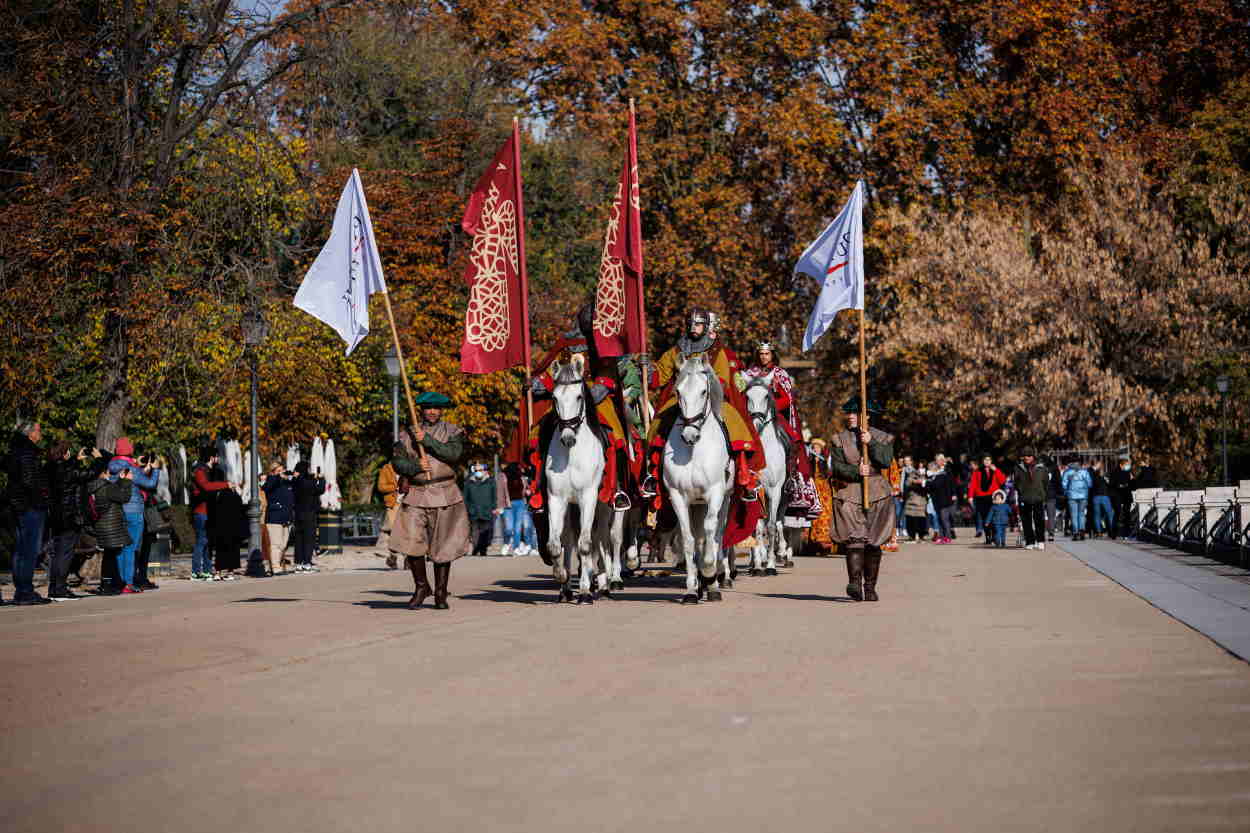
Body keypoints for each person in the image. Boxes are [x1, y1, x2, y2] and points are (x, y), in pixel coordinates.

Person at [641, 309, 763, 503]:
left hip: (710, 398)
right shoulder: (676, 351)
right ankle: (653, 475)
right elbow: (660, 375)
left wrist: (708, 389)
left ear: (705, 326)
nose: (693, 328)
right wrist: (647, 371)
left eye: (697, 324)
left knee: (734, 420)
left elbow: (722, 378)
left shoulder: (715, 351)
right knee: (658, 425)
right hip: (680, 398)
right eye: (690, 324)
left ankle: (744, 472)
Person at [390, 391, 471, 610]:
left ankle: (441, 592)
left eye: (436, 408)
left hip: (445, 492)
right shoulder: (406, 434)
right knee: (411, 542)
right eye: (428, 408)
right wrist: (415, 467)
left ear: (441, 410)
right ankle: (421, 586)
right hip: (416, 494)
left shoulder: (453, 431)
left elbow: (454, 454)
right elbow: (397, 462)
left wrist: (427, 441)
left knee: (443, 545)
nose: (432, 412)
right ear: (421, 410)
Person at [827, 397, 895, 602]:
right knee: (855, 540)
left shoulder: (883, 438)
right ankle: (855, 583)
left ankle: (870, 587)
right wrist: (856, 471)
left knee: (873, 542)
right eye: (848, 413)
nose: (849, 416)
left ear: (866, 415)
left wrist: (870, 442)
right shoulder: (838, 439)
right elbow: (837, 467)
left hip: (877, 492)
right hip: (850, 493)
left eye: (854, 413)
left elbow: (885, 461)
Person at [5, 419, 52, 605]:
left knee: (21, 549)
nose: (40, 434)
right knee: (29, 550)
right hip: (29, 506)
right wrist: (41, 498)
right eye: (38, 430)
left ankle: (22, 589)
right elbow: (28, 481)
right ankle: (25, 590)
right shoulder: (27, 452)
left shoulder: (16, 450)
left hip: (20, 505)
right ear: (30, 433)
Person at [106, 437, 160, 594]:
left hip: (117, 510)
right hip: (134, 510)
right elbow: (149, 484)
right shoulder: (131, 468)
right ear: (129, 450)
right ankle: (128, 583)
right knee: (131, 548)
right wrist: (155, 469)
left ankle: (120, 582)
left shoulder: (112, 466)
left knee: (120, 548)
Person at [45, 442, 96, 600]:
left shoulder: (49, 468)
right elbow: (90, 473)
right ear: (65, 454)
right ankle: (60, 589)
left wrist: (75, 459)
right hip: (69, 517)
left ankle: (54, 587)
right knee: (65, 554)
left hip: (56, 516)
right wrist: (99, 458)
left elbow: (67, 470)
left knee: (57, 553)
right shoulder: (67, 470)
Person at [86, 459, 133, 594]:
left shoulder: (95, 486)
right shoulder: (106, 487)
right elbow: (124, 497)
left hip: (102, 524)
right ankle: (107, 584)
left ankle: (113, 582)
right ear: (104, 472)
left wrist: (120, 479)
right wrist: (127, 481)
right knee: (110, 556)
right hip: (111, 526)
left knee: (110, 554)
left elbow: (114, 493)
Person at [189, 446, 231, 580]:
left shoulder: (209, 470)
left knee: (208, 542)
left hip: (209, 510)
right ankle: (195, 571)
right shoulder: (200, 470)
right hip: (201, 511)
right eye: (216, 456)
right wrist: (226, 485)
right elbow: (206, 486)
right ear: (211, 457)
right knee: (201, 541)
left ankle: (207, 570)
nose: (218, 458)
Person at [291, 460, 326, 573]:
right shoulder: (307, 483)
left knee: (299, 539)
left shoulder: (295, 481)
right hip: (309, 513)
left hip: (297, 513)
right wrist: (321, 479)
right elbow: (320, 489)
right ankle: (307, 563)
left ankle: (299, 563)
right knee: (308, 539)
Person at [262, 461, 295, 575]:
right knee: (276, 544)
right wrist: (277, 476)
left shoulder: (287, 483)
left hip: (286, 518)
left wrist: (295, 476)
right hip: (274, 517)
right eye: (279, 470)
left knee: (283, 544)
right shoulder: (271, 480)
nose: (282, 473)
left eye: (282, 470)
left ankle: (277, 565)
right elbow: (266, 487)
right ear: (273, 472)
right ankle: (276, 568)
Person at [463, 461, 501, 557]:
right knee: (475, 534)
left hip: (487, 511)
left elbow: (494, 496)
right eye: (476, 470)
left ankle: (482, 550)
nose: (478, 472)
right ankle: (476, 548)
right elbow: (465, 497)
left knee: (486, 533)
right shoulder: (469, 482)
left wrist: (494, 507)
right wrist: (467, 509)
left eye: (480, 470)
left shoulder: (491, 481)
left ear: (485, 471)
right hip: (473, 512)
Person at [1013, 450, 1048, 550]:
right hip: (1024, 497)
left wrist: (1042, 493)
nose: (1027, 457)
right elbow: (1015, 482)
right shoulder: (1018, 468)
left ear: (1033, 457)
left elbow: (1046, 482)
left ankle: (1040, 541)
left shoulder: (1041, 468)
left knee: (1039, 520)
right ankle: (1030, 541)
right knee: (1026, 521)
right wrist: (1021, 491)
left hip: (1038, 497)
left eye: (1029, 455)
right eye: (1025, 455)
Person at [967, 455, 1006, 541]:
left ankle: (995, 536)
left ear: (991, 461)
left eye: (988, 460)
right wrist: (970, 496)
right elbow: (973, 484)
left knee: (993, 517)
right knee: (985, 518)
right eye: (985, 460)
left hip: (993, 497)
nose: (987, 461)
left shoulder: (996, 470)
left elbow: (1002, 481)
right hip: (981, 497)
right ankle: (988, 535)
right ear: (982, 461)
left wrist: (996, 470)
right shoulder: (977, 471)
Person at [376, 454, 402, 567]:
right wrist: (395, 488)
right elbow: (381, 487)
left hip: (407, 502)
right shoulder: (386, 469)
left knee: (407, 531)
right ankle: (392, 556)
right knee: (391, 530)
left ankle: (405, 559)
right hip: (393, 503)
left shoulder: (407, 468)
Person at [928, 455, 957, 543]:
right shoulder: (934, 472)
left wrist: (954, 493)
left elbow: (952, 482)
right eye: (937, 460)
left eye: (940, 460)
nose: (938, 461)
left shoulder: (946, 470)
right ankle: (941, 536)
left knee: (945, 518)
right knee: (939, 518)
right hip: (936, 498)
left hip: (946, 497)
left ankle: (947, 536)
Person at [1061, 458, 1093, 541]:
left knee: (1073, 514)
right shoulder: (1084, 472)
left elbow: (1063, 484)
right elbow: (1090, 484)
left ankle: (1075, 532)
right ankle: (1082, 531)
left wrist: (1067, 491)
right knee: (1081, 513)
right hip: (1083, 495)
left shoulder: (1068, 472)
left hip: (1071, 495)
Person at [1108, 454, 1134, 538]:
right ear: (1121, 464)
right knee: (1117, 514)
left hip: (1126, 496)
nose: (1128, 466)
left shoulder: (1129, 473)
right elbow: (1112, 484)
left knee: (1127, 515)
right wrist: (1120, 485)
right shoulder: (1114, 472)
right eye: (1126, 464)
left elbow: (1133, 486)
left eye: (1128, 464)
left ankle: (1126, 533)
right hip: (1117, 496)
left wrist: (1132, 479)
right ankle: (1114, 533)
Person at [902, 467, 929, 543]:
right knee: (910, 519)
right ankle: (911, 536)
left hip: (921, 501)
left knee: (921, 519)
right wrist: (915, 481)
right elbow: (907, 483)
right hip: (911, 501)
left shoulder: (927, 475)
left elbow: (928, 486)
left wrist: (923, 483)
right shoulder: (911, 475)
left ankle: (921, 536)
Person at [1089, 460, 1115, 538]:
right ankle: (1112, 530)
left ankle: (1099, 532)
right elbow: (1110, 485)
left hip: (1095, 497)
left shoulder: (1092, 475)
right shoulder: (1105, 477)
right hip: (1104, 496)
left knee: (1097, 515)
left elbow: (1091, 486)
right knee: (1110, 514)